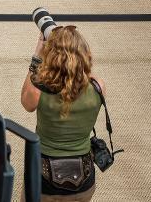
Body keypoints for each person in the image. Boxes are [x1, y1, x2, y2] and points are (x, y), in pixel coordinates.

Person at [20, 25, 104, 201]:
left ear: (52, 58)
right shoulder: (98, 86)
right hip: (84, 182)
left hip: (43, 182)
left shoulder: (38, 89)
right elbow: (82, 76)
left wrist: (39, 52)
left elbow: (26, 103)